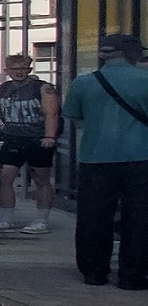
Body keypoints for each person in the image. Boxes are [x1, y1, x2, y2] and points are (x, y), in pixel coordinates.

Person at [61, 34, 148, 289]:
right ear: (131, 54)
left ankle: (94, 272)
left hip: (94, 157)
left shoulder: (83, 83)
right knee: (139, 216)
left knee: (93, 215)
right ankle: (132, 275)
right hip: (141, 156)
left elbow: (74, 116)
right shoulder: (145, 80)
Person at [0, 54, 60, 234]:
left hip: (37, 138)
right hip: (13, 137)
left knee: (40, 178)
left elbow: (52, 113)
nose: (19, 72)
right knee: (5, 177)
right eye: (15, 69)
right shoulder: (4, 88)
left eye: (23, 68)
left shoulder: (42, 88)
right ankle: (6, 219)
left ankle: (41, 220)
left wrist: (49, 136)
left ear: (29, 70)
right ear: (7, 71)